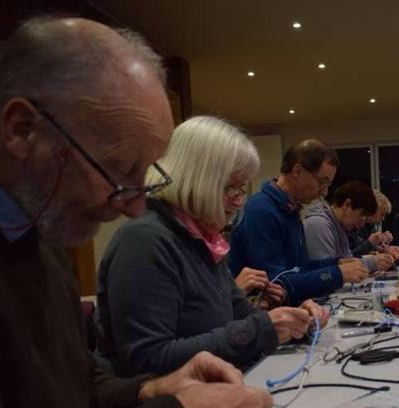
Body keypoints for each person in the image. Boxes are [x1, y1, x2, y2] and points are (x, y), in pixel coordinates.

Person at [0, 17, 275, 408]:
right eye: (117, 172)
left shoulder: (36, 236)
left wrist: (151, 391)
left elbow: (76, 391)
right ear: (21, 129)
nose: (133, 208)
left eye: (144, 177)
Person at [97, 116, 328, 377]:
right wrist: (263, 329)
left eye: (241, 189)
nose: (239, 202)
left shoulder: (201, 238)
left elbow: (240, 313)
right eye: (232, 187)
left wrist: (292, 322)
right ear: (197, 178)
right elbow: (148, 360)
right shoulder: (145, 241)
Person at [229, 139, 368, 304]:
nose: (324, 192)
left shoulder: (291, 209)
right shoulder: (261, 211)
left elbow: (299, 268)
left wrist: (336, 263)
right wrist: (336, 274)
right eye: (322, 182)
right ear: (297, 171)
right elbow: (277, 284)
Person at [304, 180, 395, 272]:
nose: (362, 224)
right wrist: (372, 263)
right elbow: (325, 274)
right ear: (346, 205)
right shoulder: (318, 225)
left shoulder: (340, 227)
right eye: (361, 215)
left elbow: (348, 261)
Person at [349, 189, 399, 258]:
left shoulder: (370, 226)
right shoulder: (352, 225)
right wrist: (370, 243)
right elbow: (349, 256)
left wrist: (382, 246)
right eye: (382, 214)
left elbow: (364, 250)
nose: (383, 219)